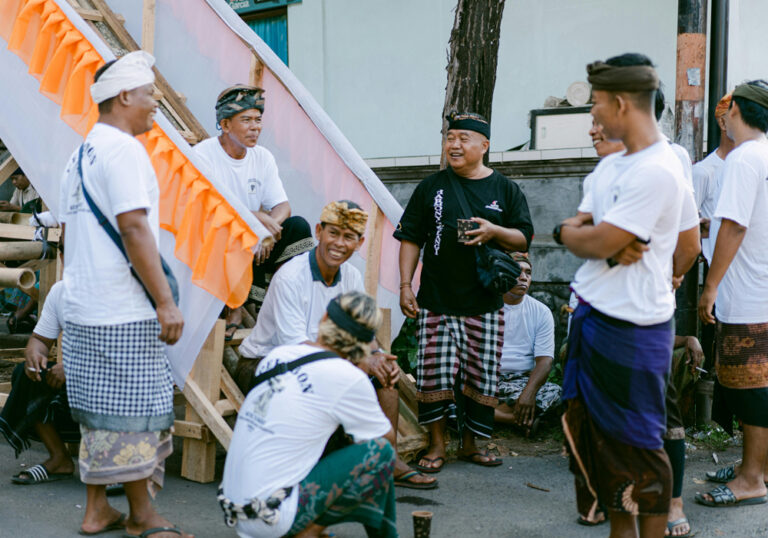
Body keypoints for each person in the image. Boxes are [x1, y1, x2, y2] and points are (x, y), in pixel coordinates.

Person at [555, 53, 700, 538]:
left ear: (619, 103)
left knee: (639, 450)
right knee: (601, 447)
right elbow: (580, 230)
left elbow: (596, 239)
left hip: (635, 327)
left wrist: (597, 240)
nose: (592, 116)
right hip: (595, 315)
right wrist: (578, 234)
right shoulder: (612, 167)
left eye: (595, 104)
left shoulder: (658, 169)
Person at [57, 51, 188, 537]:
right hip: (122, 308)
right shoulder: (124, 150)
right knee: (137, 411)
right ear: (125, 95)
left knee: (99, 413)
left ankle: (97, 511)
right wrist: (165, 301)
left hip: (85, 306)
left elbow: (72, 236)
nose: (157, 103)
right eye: (151, 94)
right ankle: (143, 516)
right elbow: (134, 228)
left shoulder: (81, 153)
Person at [238, 200, 436, 490]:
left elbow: (363, 332)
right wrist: (358, 360)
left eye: (348, 237)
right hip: (265, 365)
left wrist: (377, 356)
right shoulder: (290, 277)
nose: (338, 243)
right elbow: (296, 349)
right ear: (318, 231)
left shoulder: (351, 276)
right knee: (334, 376)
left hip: (322, 362)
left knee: (386, 374)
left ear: (359, 243)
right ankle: (323, 464)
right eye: (333, 233)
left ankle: (388, 459)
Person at [395, 111, 533, 472]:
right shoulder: (430, 188)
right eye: (450, 137)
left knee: (481, 375)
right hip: (436, 300)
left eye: (463, 139)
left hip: (484, 302)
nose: (454, 145)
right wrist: (406, 284)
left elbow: (523, 237)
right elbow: (410, 237)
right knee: (433, 376)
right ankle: (437, 446)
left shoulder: (505, 190)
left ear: (484, 145)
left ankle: (471, 444)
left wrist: (493, 231)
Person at [219, 291, 397, 538]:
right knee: (380, 452)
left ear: (324, 319)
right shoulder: (348, 378)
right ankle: (309, 532)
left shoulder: (280, 355)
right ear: (367, 342)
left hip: (238, 510)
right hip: (272, 518)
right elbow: (386, 440)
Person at [696, 80, 768, 510]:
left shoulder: (743, 158)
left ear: (737, 109)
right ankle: (755, 466)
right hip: (762, 286)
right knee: (757, 384)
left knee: (748, 387)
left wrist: (711, 285)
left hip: (747, 292)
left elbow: (736, 226)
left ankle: (752, 477)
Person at [194, 85, 313, 336]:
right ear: (225, 125)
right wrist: (254, 219)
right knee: (233, 232)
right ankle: (234, 304)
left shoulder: (263, 157)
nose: (255, 127)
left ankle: (274, 301)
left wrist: (266, 228)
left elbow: (283, 206)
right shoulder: (202, 155)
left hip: (254, 245)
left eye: (258, 120)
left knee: (298, 227)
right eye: (246, 120)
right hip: (215, 244)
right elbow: (206, 212)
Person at [0, 281, 79, 485]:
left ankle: (115, 464)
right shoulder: (61, 290)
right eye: (65, 250)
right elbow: (40, 339)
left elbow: (132, 353)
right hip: (79, 390)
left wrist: (74, 367)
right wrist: (34, 353)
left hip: (123, 386)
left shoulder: (123, 287)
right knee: (29, 373)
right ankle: (59, 458)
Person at [494, 253, 561, 435]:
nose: (523, 277)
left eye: (528, 273)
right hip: (491, 379)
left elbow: (545, 361)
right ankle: (514, 419)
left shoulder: (541, 311)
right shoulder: (486, 306)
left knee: (555, 392)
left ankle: (486, 415)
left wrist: (528, 393)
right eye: (517, 271)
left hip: (523, 380)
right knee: (459, 391)